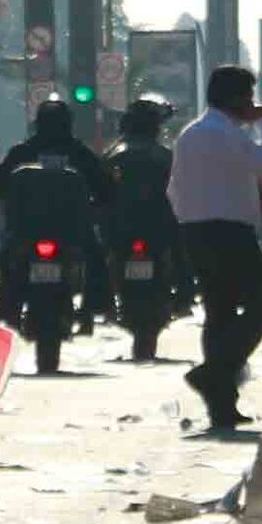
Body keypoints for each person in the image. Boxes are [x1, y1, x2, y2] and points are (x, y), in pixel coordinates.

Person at [171, 61, 262, 435]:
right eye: (247, 96)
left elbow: (175, 191)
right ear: (234, 98)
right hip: (231, 232)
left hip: (195, 232)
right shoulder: (227, 133)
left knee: (219, 314)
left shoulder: (190, 134)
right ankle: (213, 374)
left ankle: (222, 406)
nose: (250, 102)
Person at [0, 98, 108, 374]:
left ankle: (8, 311)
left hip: (30, 235)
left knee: (8, 262)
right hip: (69, 234)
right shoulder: (78, 153)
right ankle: (96, 307)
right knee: (97, 260)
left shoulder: (23, 152)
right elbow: (106, 188)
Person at [105, 96, 180, 362]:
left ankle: (99, 301)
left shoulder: (114, 155)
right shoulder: (165, 157)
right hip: (155, 230)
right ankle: (184, 296)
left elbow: (100, 196)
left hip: (125, 231)